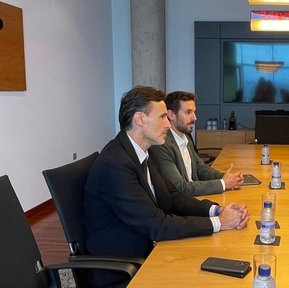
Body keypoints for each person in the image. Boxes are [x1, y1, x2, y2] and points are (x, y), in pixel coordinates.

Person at [84, 86, 250, 257]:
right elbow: (156, 225)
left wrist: (216, 210)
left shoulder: (146, 150)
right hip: (126, 262)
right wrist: (219, 223)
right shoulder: (115, 165)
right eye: (162, 117)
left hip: (149, 245)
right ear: (140, 119)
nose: (168, 124)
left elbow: (173, 198)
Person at [150, 91, 244, 196]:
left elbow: (200, 168)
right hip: (182, 205)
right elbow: (181, 188)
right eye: (188, 112)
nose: (194, 117)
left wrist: (225, 177)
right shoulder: (162, 145)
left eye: (194, 112)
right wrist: (222, 184)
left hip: (195, 198)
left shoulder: (185, 137)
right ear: (171, 115)